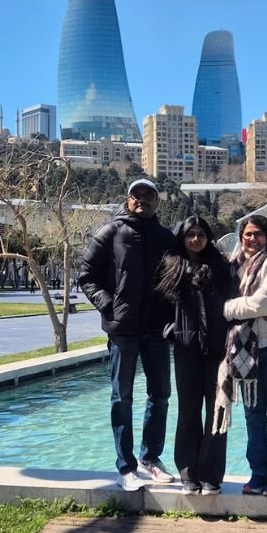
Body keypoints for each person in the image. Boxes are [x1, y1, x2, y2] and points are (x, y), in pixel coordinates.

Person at [78, 177, 176, 491]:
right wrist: (109, 306)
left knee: (160, 395)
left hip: (157, 329)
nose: (142, 200)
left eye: (148, 195)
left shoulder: (166, 237)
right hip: (123, 330)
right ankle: (126, 467)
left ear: (157, 201)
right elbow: (87, 276)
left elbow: (179, 278)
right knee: (122, 397)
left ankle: (151, 458)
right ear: (128, 199)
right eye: (137, 195)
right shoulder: (110, 232)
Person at [215, 213, 267, 497]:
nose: (252, 239)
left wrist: (224, 309)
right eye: (247, 234)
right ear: (241, 237)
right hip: (245, 348)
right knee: (253, 413)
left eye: (258, 234)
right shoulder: (234, 264)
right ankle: (257, 474)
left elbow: (265, 302)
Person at [156, 215, 232, 495]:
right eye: (191, 234)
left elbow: (231, 302)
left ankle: (211, 475)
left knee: (216, 412)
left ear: (208, 237)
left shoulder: (220, 267)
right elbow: (160, 306)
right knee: (188, 412)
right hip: (186, 350)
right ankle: (188, 474)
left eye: (201, 234)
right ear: (183, 237)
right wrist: (172, 331)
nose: (196, 239)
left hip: (218, 351)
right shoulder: (171, 266)